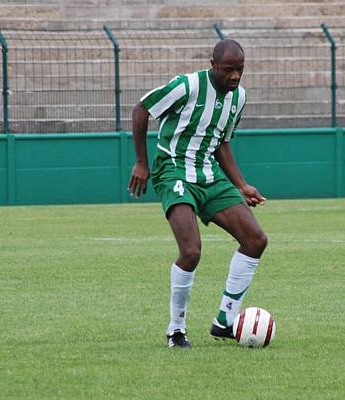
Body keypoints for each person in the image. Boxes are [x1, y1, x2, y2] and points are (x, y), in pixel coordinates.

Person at [127, 39, 268, 348]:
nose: (235, 77)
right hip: (173, 169)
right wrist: (142, 162)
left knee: (256, 239)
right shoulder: (188, 85)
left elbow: (221, 141)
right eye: (229, 70)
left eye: (240, 70)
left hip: (209, 174)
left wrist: (241, 184)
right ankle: (176, 329)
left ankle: (225, 320)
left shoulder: (238, 98)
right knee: (191, 251)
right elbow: (141, 109)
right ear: (213, 64)